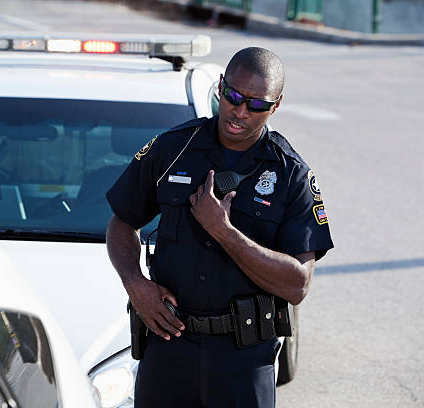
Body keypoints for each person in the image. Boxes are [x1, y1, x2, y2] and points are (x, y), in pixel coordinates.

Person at [105, 47, 334, 408]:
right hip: (168, 345)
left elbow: (297, 284)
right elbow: (121, 222)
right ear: (221, 88)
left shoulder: (292, 175)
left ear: (275, 106)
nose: (240, 111)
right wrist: (136, 285)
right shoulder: (171, 149)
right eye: (233, 96)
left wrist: (224, 232)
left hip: (243, 359)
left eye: (256, 104)